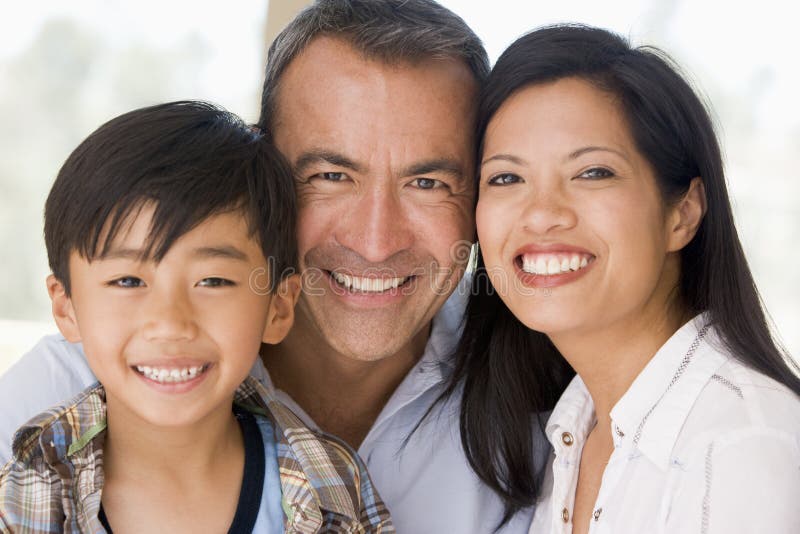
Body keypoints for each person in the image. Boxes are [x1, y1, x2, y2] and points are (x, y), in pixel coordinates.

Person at [0, 2, 543, 532]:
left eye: (428, 184)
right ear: (263, 173)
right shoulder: (52, 407)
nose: (376, 243)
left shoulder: (543, 407)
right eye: (331, 175)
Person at [445, 24, 800, 533]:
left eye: (592, 172)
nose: (541, 214)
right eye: (506, 178)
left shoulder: (738, 443)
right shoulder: (573, 430)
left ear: (683, 213)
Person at [0, 101, 392, 533]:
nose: (170, 322)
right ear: (66, 307)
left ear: (278, 306)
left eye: (213, 281)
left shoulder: (331, 490)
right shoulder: (22, 494)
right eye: (128, 281)